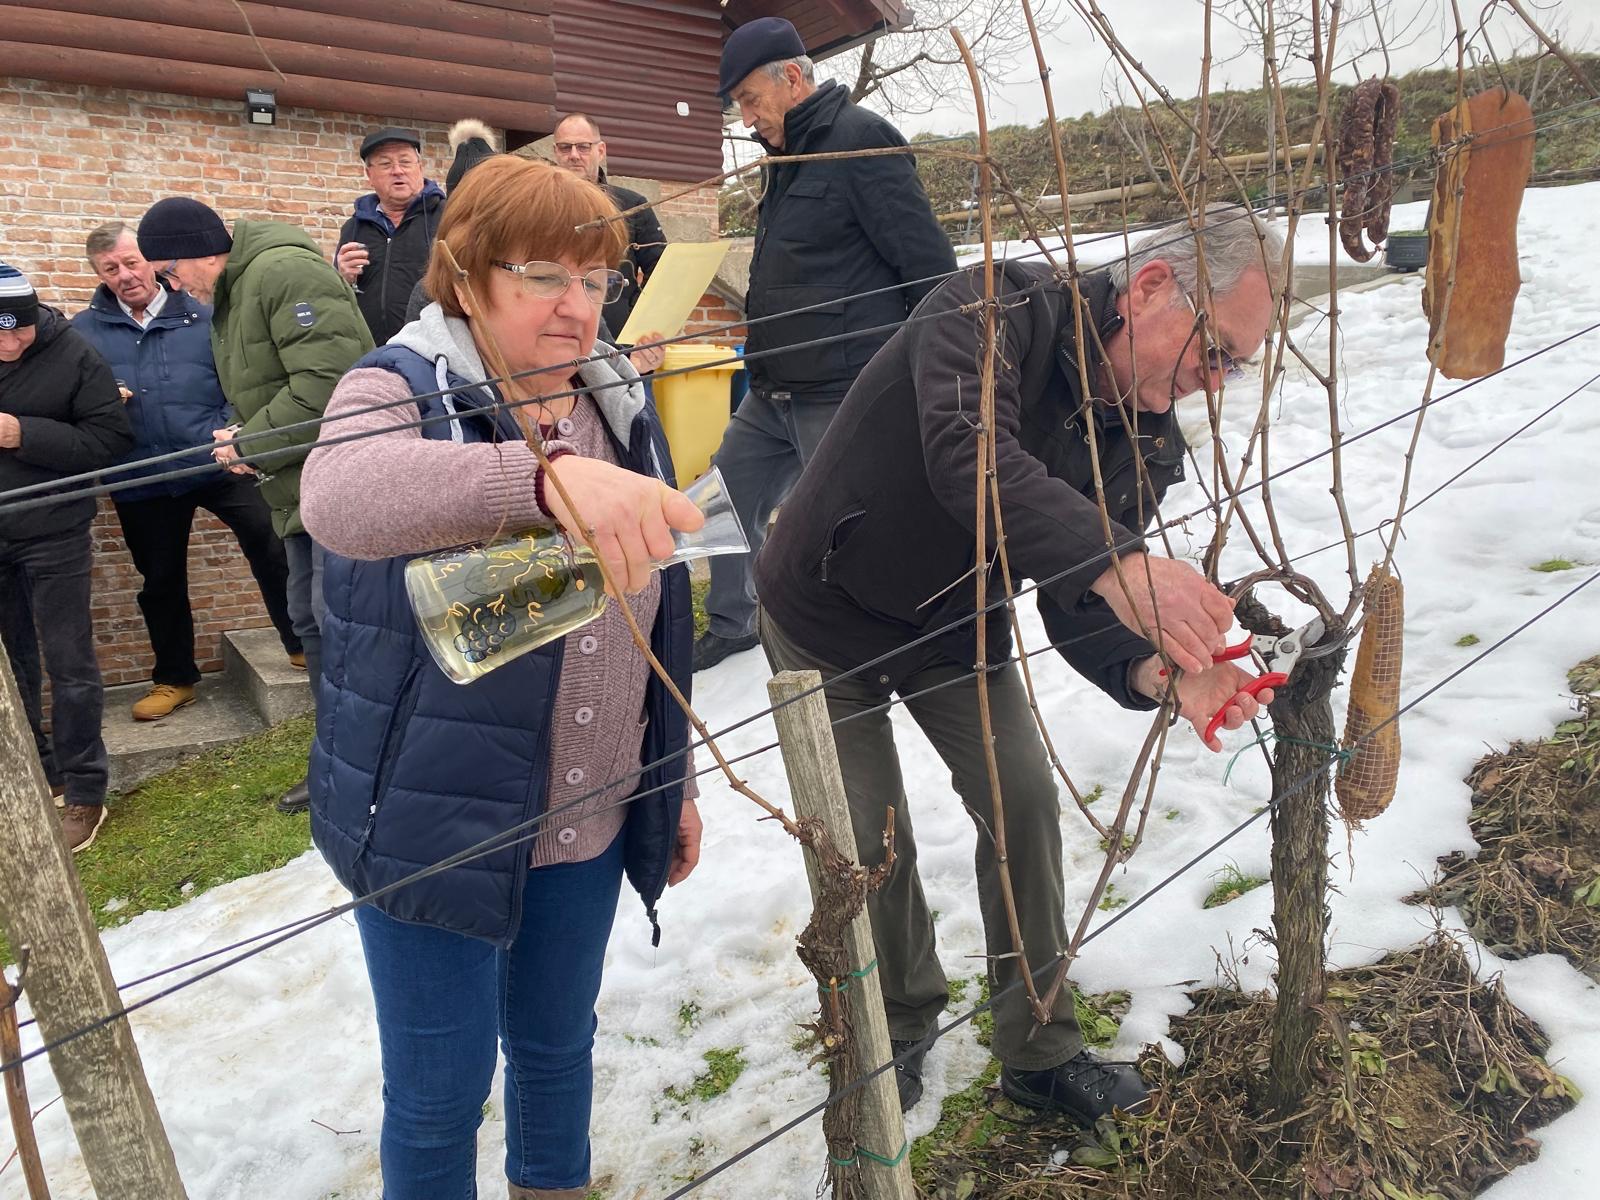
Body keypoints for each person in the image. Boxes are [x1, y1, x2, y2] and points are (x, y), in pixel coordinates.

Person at [755, 212, 1285, 1119]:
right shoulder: (993, 307)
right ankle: (900, 1022)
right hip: (825, 610)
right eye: (1216, 353)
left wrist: (1160, 672)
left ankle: (1038, 1049)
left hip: (955, 622)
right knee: (868, 840)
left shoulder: (1147, 438)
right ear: (1151, 287)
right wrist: (1121, 562)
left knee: (1024, 801)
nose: (1214, 383)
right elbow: (968, 455)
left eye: (1233, 369)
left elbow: (1080, 599)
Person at [299, 155, 705, 1200]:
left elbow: (658, 609)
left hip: (592, 811)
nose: (578, 307)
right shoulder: (401, 384)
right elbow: (338, 494)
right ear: (469, 274)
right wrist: (539, 480)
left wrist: (674, 780)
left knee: (558, 1051)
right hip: (437, 822)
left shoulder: (617, 397)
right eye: (545, 276)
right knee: (439, 1098)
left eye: (595, 279)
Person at [694, 16, 959, 671]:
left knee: (848, 529)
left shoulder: (860, 141)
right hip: (772, 388)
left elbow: (928, 269)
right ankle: (733, 622)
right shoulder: (786, 157)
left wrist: (924, 374)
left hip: (843, 390)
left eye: (750, 100)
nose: (746, 119)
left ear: (792, 77)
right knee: (724, 495)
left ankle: (881, 646)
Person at [135, 197, 374, 812]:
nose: (172, 285)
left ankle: (367, 765)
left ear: (198, 252)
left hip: (341, 484)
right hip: (298, 486)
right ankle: (339, 760)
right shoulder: (237, 290)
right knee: (311, 622)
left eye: (169, 271)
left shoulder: (282, 273)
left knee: (342, 627)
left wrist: (250, 442)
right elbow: (273, 383)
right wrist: (245, 434)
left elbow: (332, 386)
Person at [72, 222, 302, 721]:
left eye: (131, 262)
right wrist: (103, 404)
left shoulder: (205, 315)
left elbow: (241, 379)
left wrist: (232, 431)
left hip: (217, 462)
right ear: (99, 274)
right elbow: (73, 400)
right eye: (110, 269)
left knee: (270, 542)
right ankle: (175, 678)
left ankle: (300, 642)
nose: (125, 275)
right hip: (141, 473)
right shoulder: (82, 333)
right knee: (160, 580)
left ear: (150, 263)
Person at [0, 262, 132, 851]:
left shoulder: (73, 353)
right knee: (12, 666)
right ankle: (39, 771)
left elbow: (110, 442)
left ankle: (84, 789)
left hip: (54, 531)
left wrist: (23, 434)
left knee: (68, 661)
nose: (10, 345)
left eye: (19, 329)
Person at [551, 112, 667, 338]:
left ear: (601, 150)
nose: (574, 155)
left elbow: (662, 272)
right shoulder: (540, 208)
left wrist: (636, 321)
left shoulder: (632, 206)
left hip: (620, 343)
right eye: (565, 147)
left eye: (583, 147)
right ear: (556, 151)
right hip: (559, 335)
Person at [332, 127, 445, 346]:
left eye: (405, 162)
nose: (397, 171)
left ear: (420, 168)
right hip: (370, 350)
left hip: (431, 349)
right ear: (369, 175)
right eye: (385, 164)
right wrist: (342, 277)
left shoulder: (447, 217)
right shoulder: (354, 227)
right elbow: (336, 298)